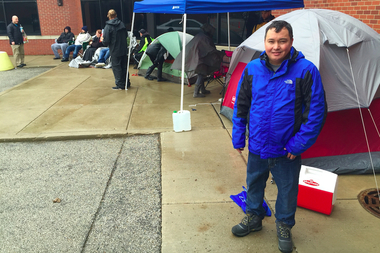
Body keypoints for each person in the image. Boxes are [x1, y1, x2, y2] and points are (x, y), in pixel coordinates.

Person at [231, 21, 327, 253]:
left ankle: (284, 225)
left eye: (282, 41)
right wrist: (238, 136)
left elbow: (316, 112)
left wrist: (298, 144)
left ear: (291, 42)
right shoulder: (252, 69)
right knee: (254, 183)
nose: (276, 47)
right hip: (257, 146)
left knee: (287, 190)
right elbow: (241, 105)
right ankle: (253, 217)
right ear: (264, 43)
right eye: (271, 41)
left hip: (287, 151)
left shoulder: (305, 70)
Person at [172, 23, 224, 98]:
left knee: (201, 75)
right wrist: (220, 53)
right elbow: (210, 49)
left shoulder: (200, 36)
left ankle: (202, 90)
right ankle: (196, 93)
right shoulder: (204, 38)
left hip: (199, 58)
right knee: (200, 75)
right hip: (200, 59)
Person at [102, 9, 131, 90]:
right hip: (123, 49)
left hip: (115, 50)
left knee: (117, 67)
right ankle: (126, 83)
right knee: (124, 67)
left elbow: (106, 41)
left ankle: (120, 85)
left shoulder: (108, 26)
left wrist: (103, 40)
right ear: (116, 15)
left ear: (109, 16)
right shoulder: (122, 24)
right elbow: (126, 35)